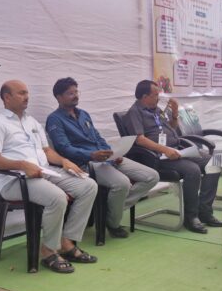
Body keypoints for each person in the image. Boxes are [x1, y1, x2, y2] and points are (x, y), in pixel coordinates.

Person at [0, 80, 98, 274]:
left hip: (44, 172)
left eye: (27, 92)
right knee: (57, 197)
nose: (27, 97)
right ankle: (48, 250)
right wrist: (22, 165)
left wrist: (63, 161)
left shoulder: (32, 122)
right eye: (21, 93)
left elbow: (46, 151)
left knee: (89, 186)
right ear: (7, 97)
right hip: (16, 180)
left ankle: (66, 242)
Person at [46, 78, 158, 239]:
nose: (75, 95)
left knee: (151, 176)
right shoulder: (55, 119)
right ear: (58, 97)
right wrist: (91, 155)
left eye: (76, 91)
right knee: (122, 183)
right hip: (85, 163)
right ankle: (113, 223)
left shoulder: (83, 114)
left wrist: (112, 153)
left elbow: (97, 137)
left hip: (104, 157)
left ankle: (107, 211)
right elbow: (64, 148)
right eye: (70, 93)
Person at [125, 80, 222, 234]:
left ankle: (205, 211)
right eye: (155, 95)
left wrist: (175, 113)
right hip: (156, 158)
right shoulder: (134, 112)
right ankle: (191, 217)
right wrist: (165, 150)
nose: (158, 97)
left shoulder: (156, 110)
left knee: (215, 162)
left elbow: (171, 128)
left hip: (176, 151)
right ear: (144, 96)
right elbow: (140, 139)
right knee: (192, 170)